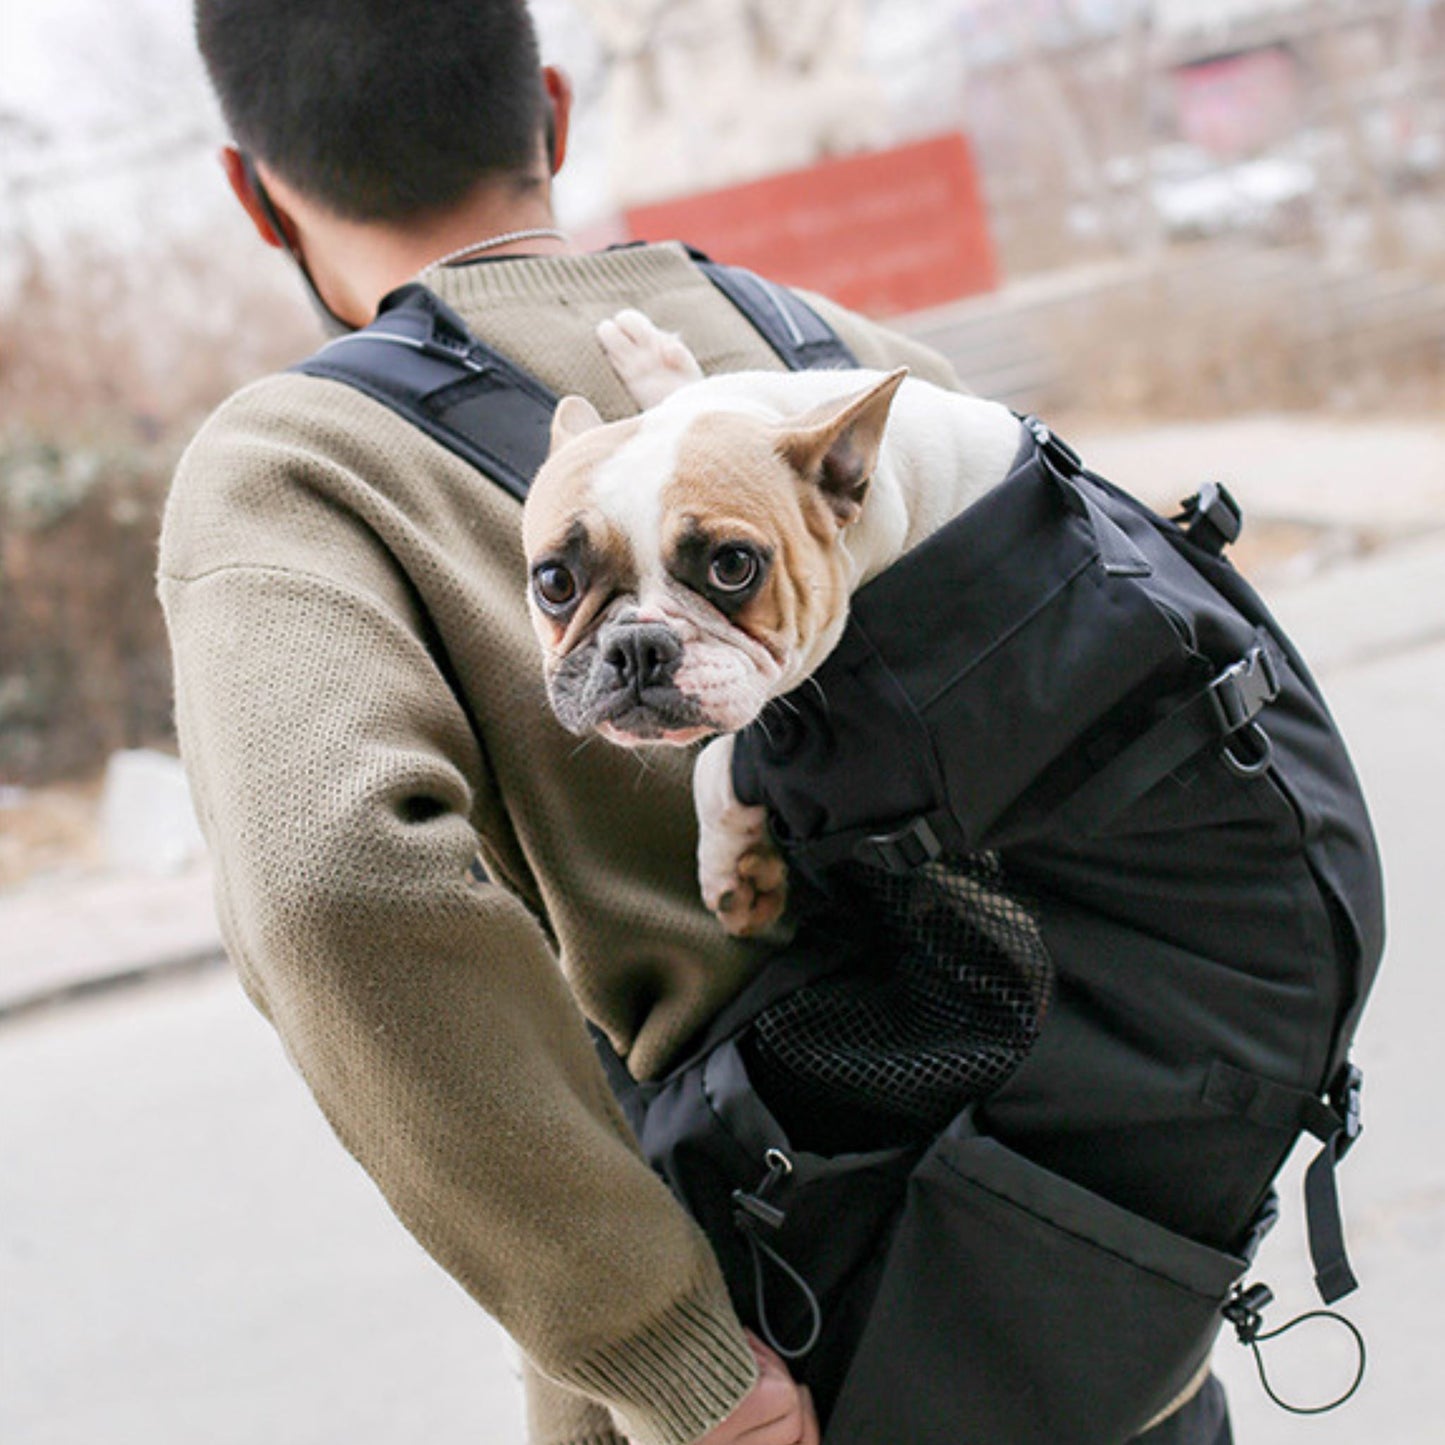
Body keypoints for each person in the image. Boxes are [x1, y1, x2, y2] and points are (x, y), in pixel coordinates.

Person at [170, 3, 1233, 1442]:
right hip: (1089, 1294)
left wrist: (667, 1348)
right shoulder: (839, 361)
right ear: (548, 110)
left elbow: (332, 882)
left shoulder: (295, 466)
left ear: (250, 191)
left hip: (774, 1354)